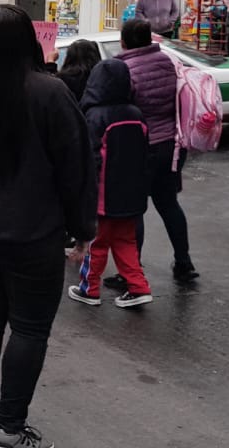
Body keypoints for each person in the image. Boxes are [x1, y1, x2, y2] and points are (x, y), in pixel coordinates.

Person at [0, 4, 97, 448]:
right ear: (31, 40)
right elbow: (76, 166)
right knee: (29, 326)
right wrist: (83, 227)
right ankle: (9, 427)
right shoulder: (51, 92)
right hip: (34, 230)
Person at [117, 19, 199, 285]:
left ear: (124, 41)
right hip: (172, 147)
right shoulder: (169, 62)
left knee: (133, 210)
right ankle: (184, 262)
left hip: (141, 147)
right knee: (168, 204)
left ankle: (131, 272)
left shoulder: (124, 70)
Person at [69, 59, 153, 310]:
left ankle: (89, 289)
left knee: (97, 243)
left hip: (104, 195)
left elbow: (90, 159)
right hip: (132, 195)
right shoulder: (136, 114)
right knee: (125, 242)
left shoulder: (95, 116)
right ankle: (138, 287)